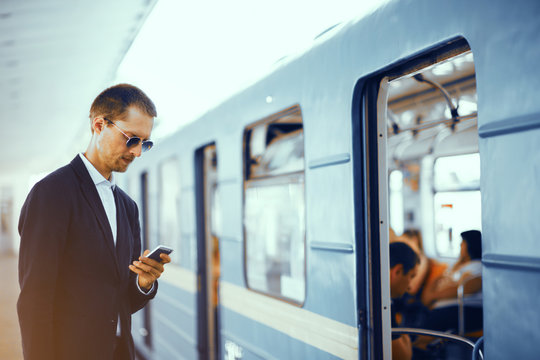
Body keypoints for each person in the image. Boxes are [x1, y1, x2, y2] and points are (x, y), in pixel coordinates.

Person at [17, 84, 171, 360]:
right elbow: (35, 301)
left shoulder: (127, 206)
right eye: (131, 139)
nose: (137, 152)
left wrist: (143, 283)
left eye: (145, 143)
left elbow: (122, 301)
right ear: (99, 125)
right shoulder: (52, 194)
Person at [420, 230, 483, 334]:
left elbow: (469, 286)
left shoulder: (476, 265)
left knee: (432, 321)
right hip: (445, 307)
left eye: (462, 243)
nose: (460, 245)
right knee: (425, 318)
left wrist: (434, 296)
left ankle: (420, 345)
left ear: (470, 246)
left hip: (467, 310)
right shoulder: (457, 266)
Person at [390, 242, 420, 360]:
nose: (410, 287)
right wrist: (405, 337)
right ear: (398, 271)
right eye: (411, 276)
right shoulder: (383, 304)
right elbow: (403, 357)